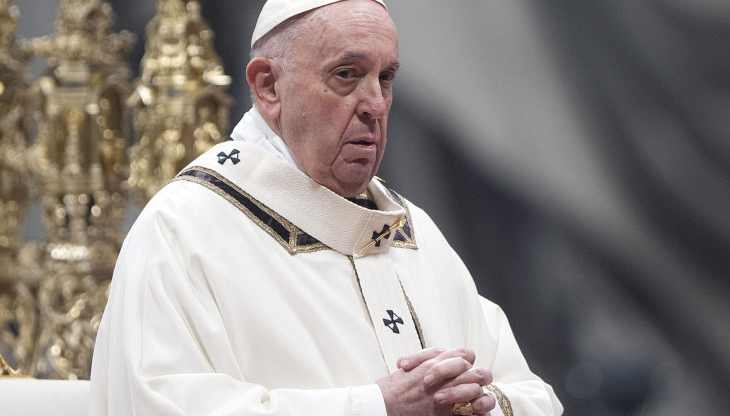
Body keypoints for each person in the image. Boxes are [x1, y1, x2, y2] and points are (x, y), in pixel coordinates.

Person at [89, 1, 563, 415]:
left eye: (386, 78)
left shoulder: (413, 233)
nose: (375, 104)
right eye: (347, 75)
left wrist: (478, 405)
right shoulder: (184, 230)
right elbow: (155, 404)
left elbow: (532, 395)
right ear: (268, 86)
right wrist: (378, 407)